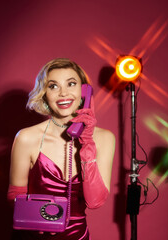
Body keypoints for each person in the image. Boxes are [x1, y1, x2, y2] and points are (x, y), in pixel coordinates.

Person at [7, 58, 115, 239]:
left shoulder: (104, 138)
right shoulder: (26, 137)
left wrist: (87, 143)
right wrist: (38, 217)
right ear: (44, 93)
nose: (63, 93)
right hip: (34, 235)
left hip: (77, 236)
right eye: (53, 86)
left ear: (84, 92)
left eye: (71, 84)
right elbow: (15, 195)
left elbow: (95, 202)